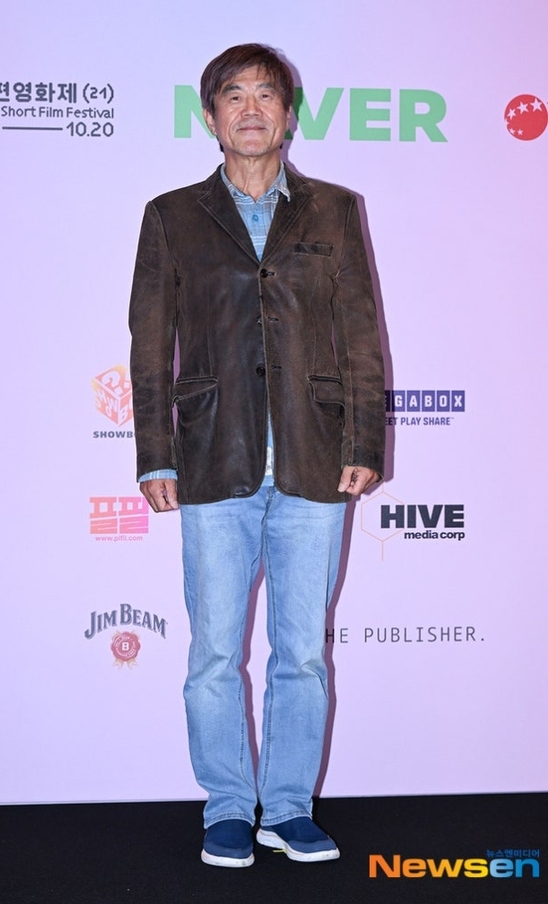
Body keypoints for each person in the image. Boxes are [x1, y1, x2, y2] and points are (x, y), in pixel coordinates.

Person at [129, 43, 385, 867]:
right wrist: (155, 454)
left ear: (288, 114)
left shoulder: (334, 210)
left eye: (265, 94)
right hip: (213, 458)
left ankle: (288, 808)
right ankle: (229, 808)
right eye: (232, 95)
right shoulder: (172, 215)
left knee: (302, 653)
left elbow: (360, 337)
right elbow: (148, 347)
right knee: (214, 653)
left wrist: (364, 440)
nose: (250, 109)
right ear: (210, 116)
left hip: (315, 457)